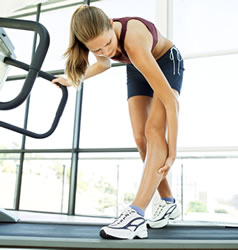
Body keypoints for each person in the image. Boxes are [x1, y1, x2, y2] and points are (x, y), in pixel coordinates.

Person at [52, 4, 184, 239]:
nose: (106, 51)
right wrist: (72, 80)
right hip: (136, 66)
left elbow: (171, 103)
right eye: (98, 49)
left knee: (154, 130)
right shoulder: (99, 40)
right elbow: (103, 64)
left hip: (165, 61)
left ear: (111, 24)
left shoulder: (132, 38)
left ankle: (136, 214)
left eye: (108, 44)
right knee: (140, 137)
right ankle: (168, 202)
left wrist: (172, 152)